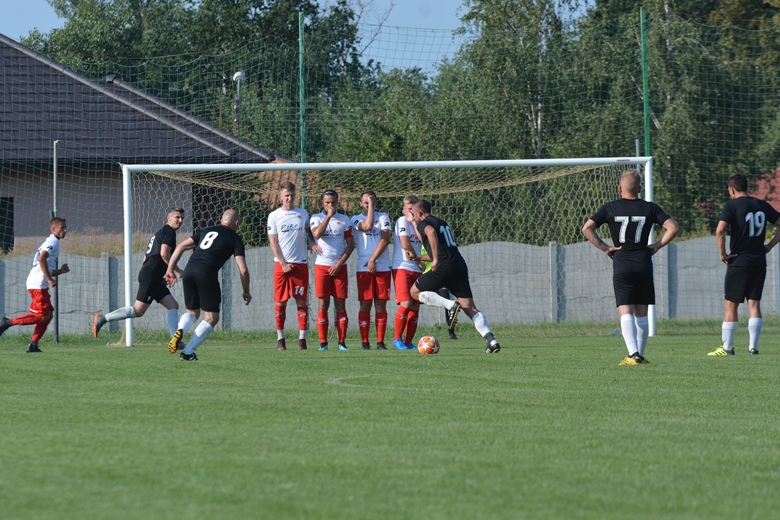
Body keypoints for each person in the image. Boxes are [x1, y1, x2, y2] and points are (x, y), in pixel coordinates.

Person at [582, 169, 679, 365]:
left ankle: (632, 354)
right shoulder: (650, 208)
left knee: (625, 310)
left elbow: (586, 228)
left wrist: (606, 248)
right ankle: (640, 356)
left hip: (622, 261)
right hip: (643, 261)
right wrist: (657, 245)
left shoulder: (610, 208)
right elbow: (673, 227)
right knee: (641, 312)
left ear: (619, 188)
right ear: (640, 189)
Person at [405, 199, 501, 354]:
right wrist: (417, 257)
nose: (414, 218)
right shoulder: (442, 223)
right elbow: (440, 251)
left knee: (414, 292)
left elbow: (430, 233)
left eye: (414, 215)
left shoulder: (425, 224)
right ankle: (491, 341)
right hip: (458, 265)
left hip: (444, 267)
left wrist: (435, 259)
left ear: (420, 213)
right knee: (469, 307)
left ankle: (450, 305)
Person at [708, 174, 780, 356]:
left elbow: (720, 230)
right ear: (747, 188)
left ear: (731, 190)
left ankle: (728, 348)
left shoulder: (731, 205)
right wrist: (770, 246)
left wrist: (723, 254)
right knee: (754, 304)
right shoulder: (762, 205)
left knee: (730, 305)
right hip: (758, 261)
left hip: (739, 261)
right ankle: (753, 347)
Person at [165, 209, 251, 361]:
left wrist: (170, 269)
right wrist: (246, 291)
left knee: (192, 312)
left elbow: (180, 247)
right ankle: (188, 351)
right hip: (206, 274)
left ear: (221, 220)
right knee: (212, 317)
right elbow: (243, 270)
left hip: (189, 271)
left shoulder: (208, 230)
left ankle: (179, 330)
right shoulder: (235, 238)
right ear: (236, 223)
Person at [92, 208, 185, 343]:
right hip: (151, 275)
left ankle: (175, 340)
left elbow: (145, 258)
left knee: (173, 305)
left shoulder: (160, 233)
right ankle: (102, 318)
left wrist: (159, 277)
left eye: (182, 218)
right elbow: (164, 253)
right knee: (138, 310)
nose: (180, 221)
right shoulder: (169, 232)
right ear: (168, 218)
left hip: (153, 276)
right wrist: (175, 270)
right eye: (177, 217)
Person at [0, 217, 70, 352]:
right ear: (53, 229)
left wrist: (60, 271)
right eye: (62, 228)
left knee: (48, 315)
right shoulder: (52, 241)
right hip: (38, 284)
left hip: (37, 283)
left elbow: (44, 267)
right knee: (41, 317)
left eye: (65, 227)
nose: (65, 230)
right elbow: (41, 258)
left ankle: (33, 345)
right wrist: (49, 279)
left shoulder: (53, 241)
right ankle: (7, 323)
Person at [267, 182, 320, 351]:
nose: (289, 198)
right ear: (281, 196)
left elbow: (308, 229)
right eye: (286, 195)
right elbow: (273, 242)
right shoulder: (274, 216)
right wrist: (283, 263)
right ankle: (280, 339)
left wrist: (312, 241)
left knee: (301, 301)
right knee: (281, 302)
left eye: (292, 195)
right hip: (281, 265)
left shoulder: (302, 213)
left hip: (300, 264)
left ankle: (302, 339)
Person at [310, 189, 355, 351]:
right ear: (322, 202)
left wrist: (339, 264)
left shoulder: (344, 219)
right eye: (327, 202)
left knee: (340, 304)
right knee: (323, 304)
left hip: (339, 267)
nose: (331, 205)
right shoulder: (316, 218)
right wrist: (328, 217)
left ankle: (342, 342)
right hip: (321, 266)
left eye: (333, 202)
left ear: (338, 202)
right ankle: (323, 343)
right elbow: (316, 234)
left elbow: (351, 245)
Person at [351, 190, 392, 350]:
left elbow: (386, 239)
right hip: (363, 268)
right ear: (360, 203)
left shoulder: (383, 217)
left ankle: (380, 342)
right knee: (365, 305)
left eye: (372, 201)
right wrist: (369, 262)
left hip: (382, 266)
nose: (369, 205)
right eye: (366, 202)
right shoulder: (354, 219)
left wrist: (373, 260)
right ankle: (365, 342)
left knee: (381, 305)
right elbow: (367, 226)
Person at [391, 195, 424, 350]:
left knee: (416, 306)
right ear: (404, 209)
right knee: (406, 303)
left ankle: (408, 341)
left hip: (416, 270)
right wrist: (418, 261)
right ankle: (397, 338)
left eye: (413, 208)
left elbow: (424, 240)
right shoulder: (401, 221)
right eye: (408, 208)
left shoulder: (418, 224)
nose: (411, 211)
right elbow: (405, 244)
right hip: (402, 266)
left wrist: (414, 222)